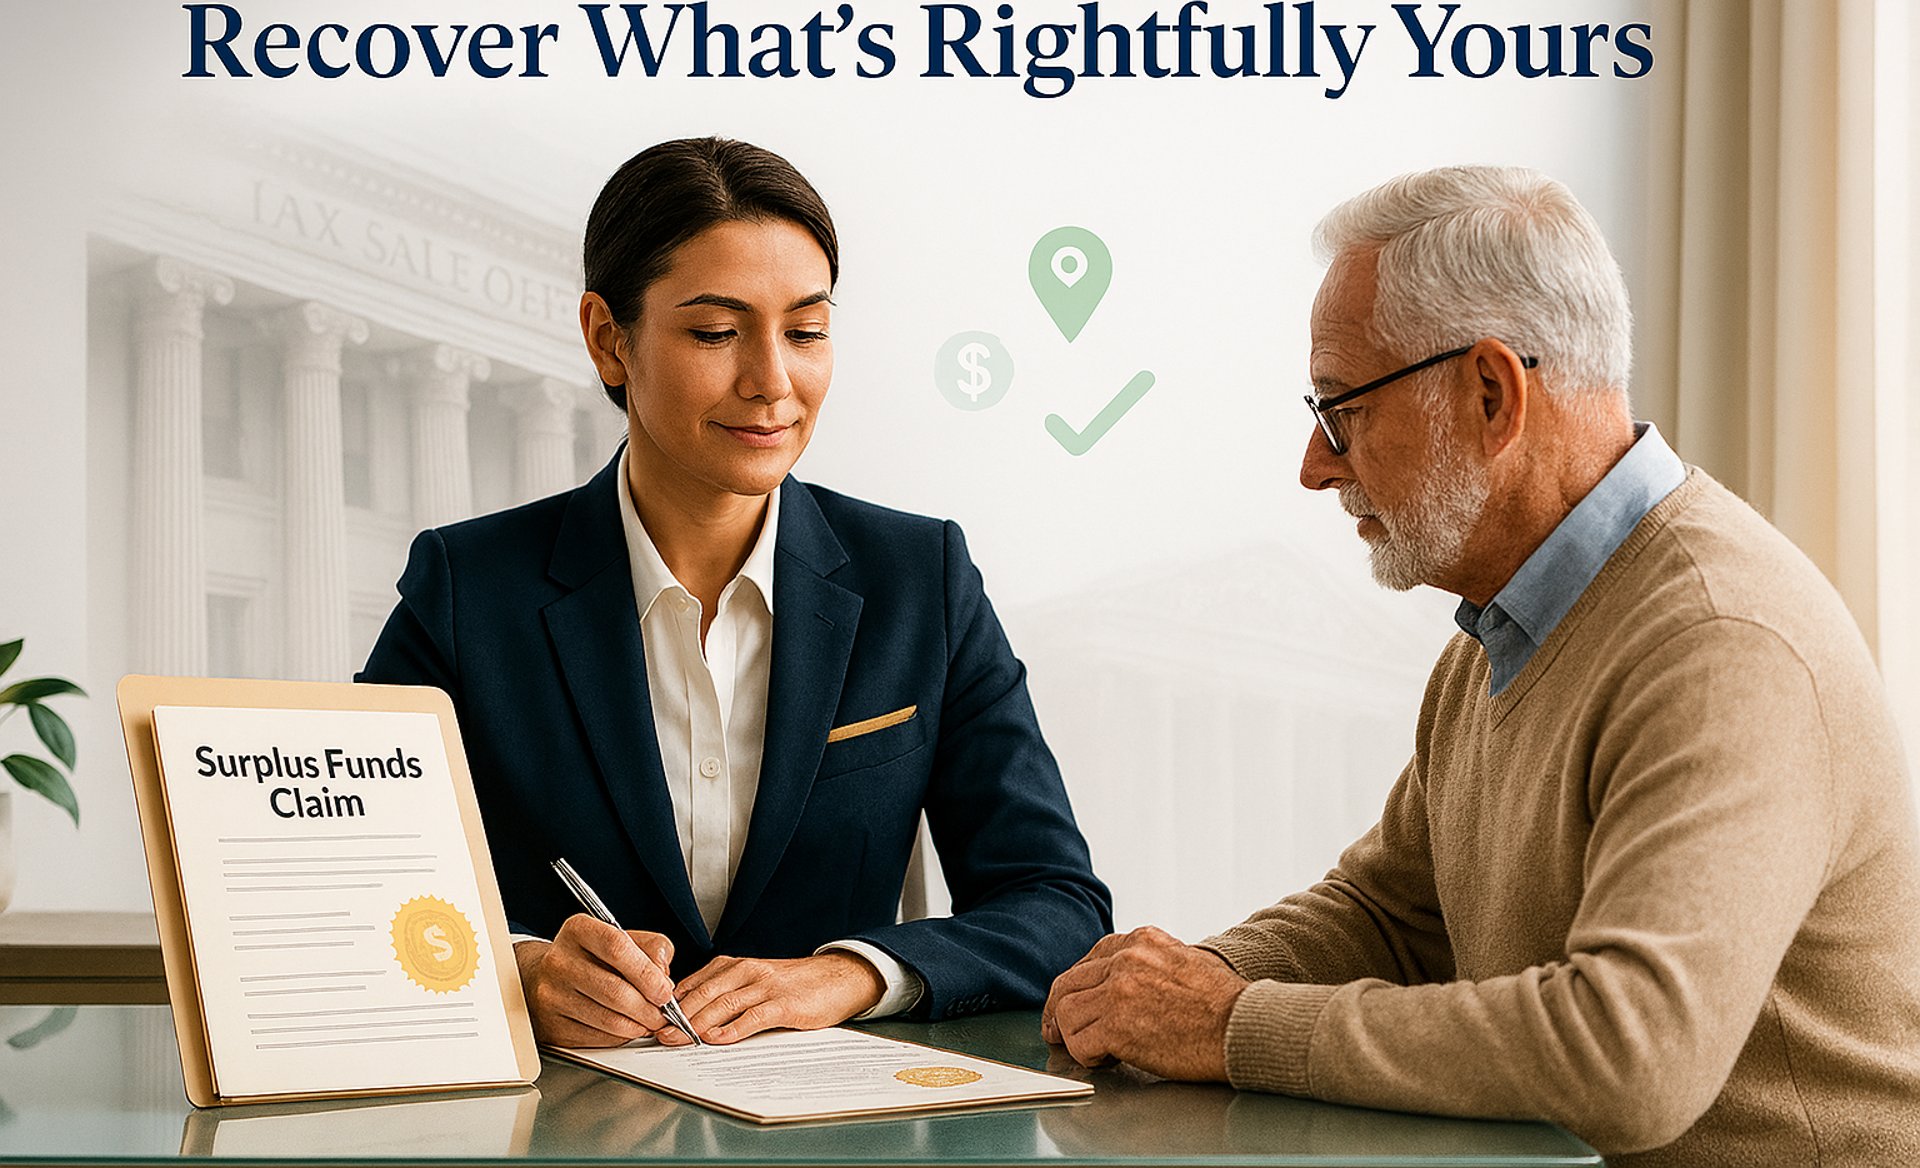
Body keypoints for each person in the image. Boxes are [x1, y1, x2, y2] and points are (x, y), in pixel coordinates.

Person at [1041, 166, 1920, 1163]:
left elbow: (1626, 1054)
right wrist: (1174, 986)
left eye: (1342, 409)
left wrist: (1232, 1023)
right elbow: (1390, 914)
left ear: (1492, 392)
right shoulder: (1508, 630)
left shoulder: (1725, 643)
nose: (1315, 463)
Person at [361, 136, 1110, 1049]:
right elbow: (359, 877)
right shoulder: (467, 589)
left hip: (834, 1136)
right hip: (565, 1131)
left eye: (805, 330)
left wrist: (849, 975)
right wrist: (516, 967)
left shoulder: (922, 579)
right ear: (609, 340)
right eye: (716, 332)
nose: (772, 383)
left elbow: (1058, 904)